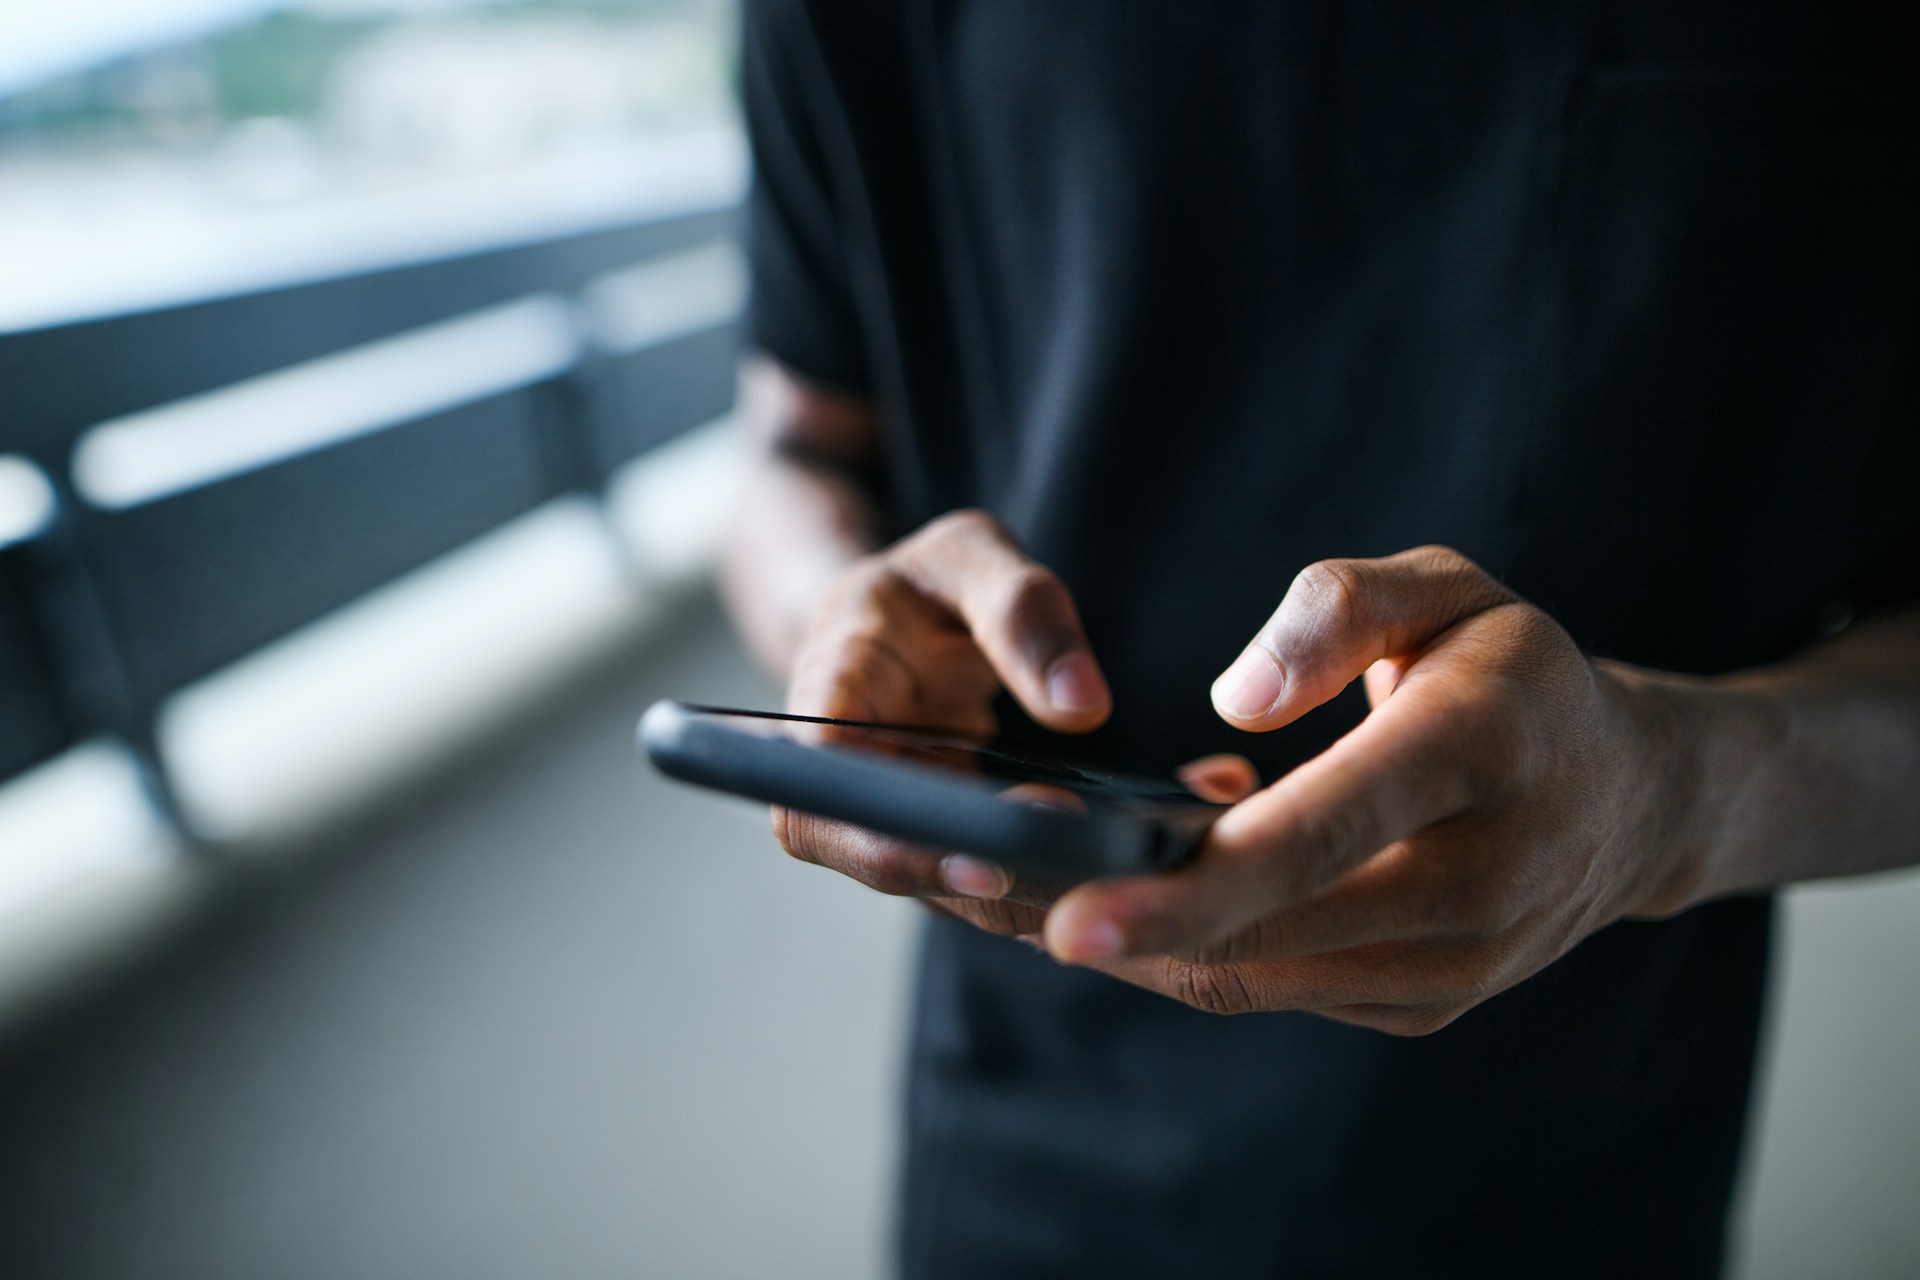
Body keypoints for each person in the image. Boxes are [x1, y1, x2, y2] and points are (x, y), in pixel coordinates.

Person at [719, 3, 1919, 1275]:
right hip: (1024, 1162)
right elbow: (793, 449)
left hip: (1593, 1178)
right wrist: (836, 617)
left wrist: (1674, 795)